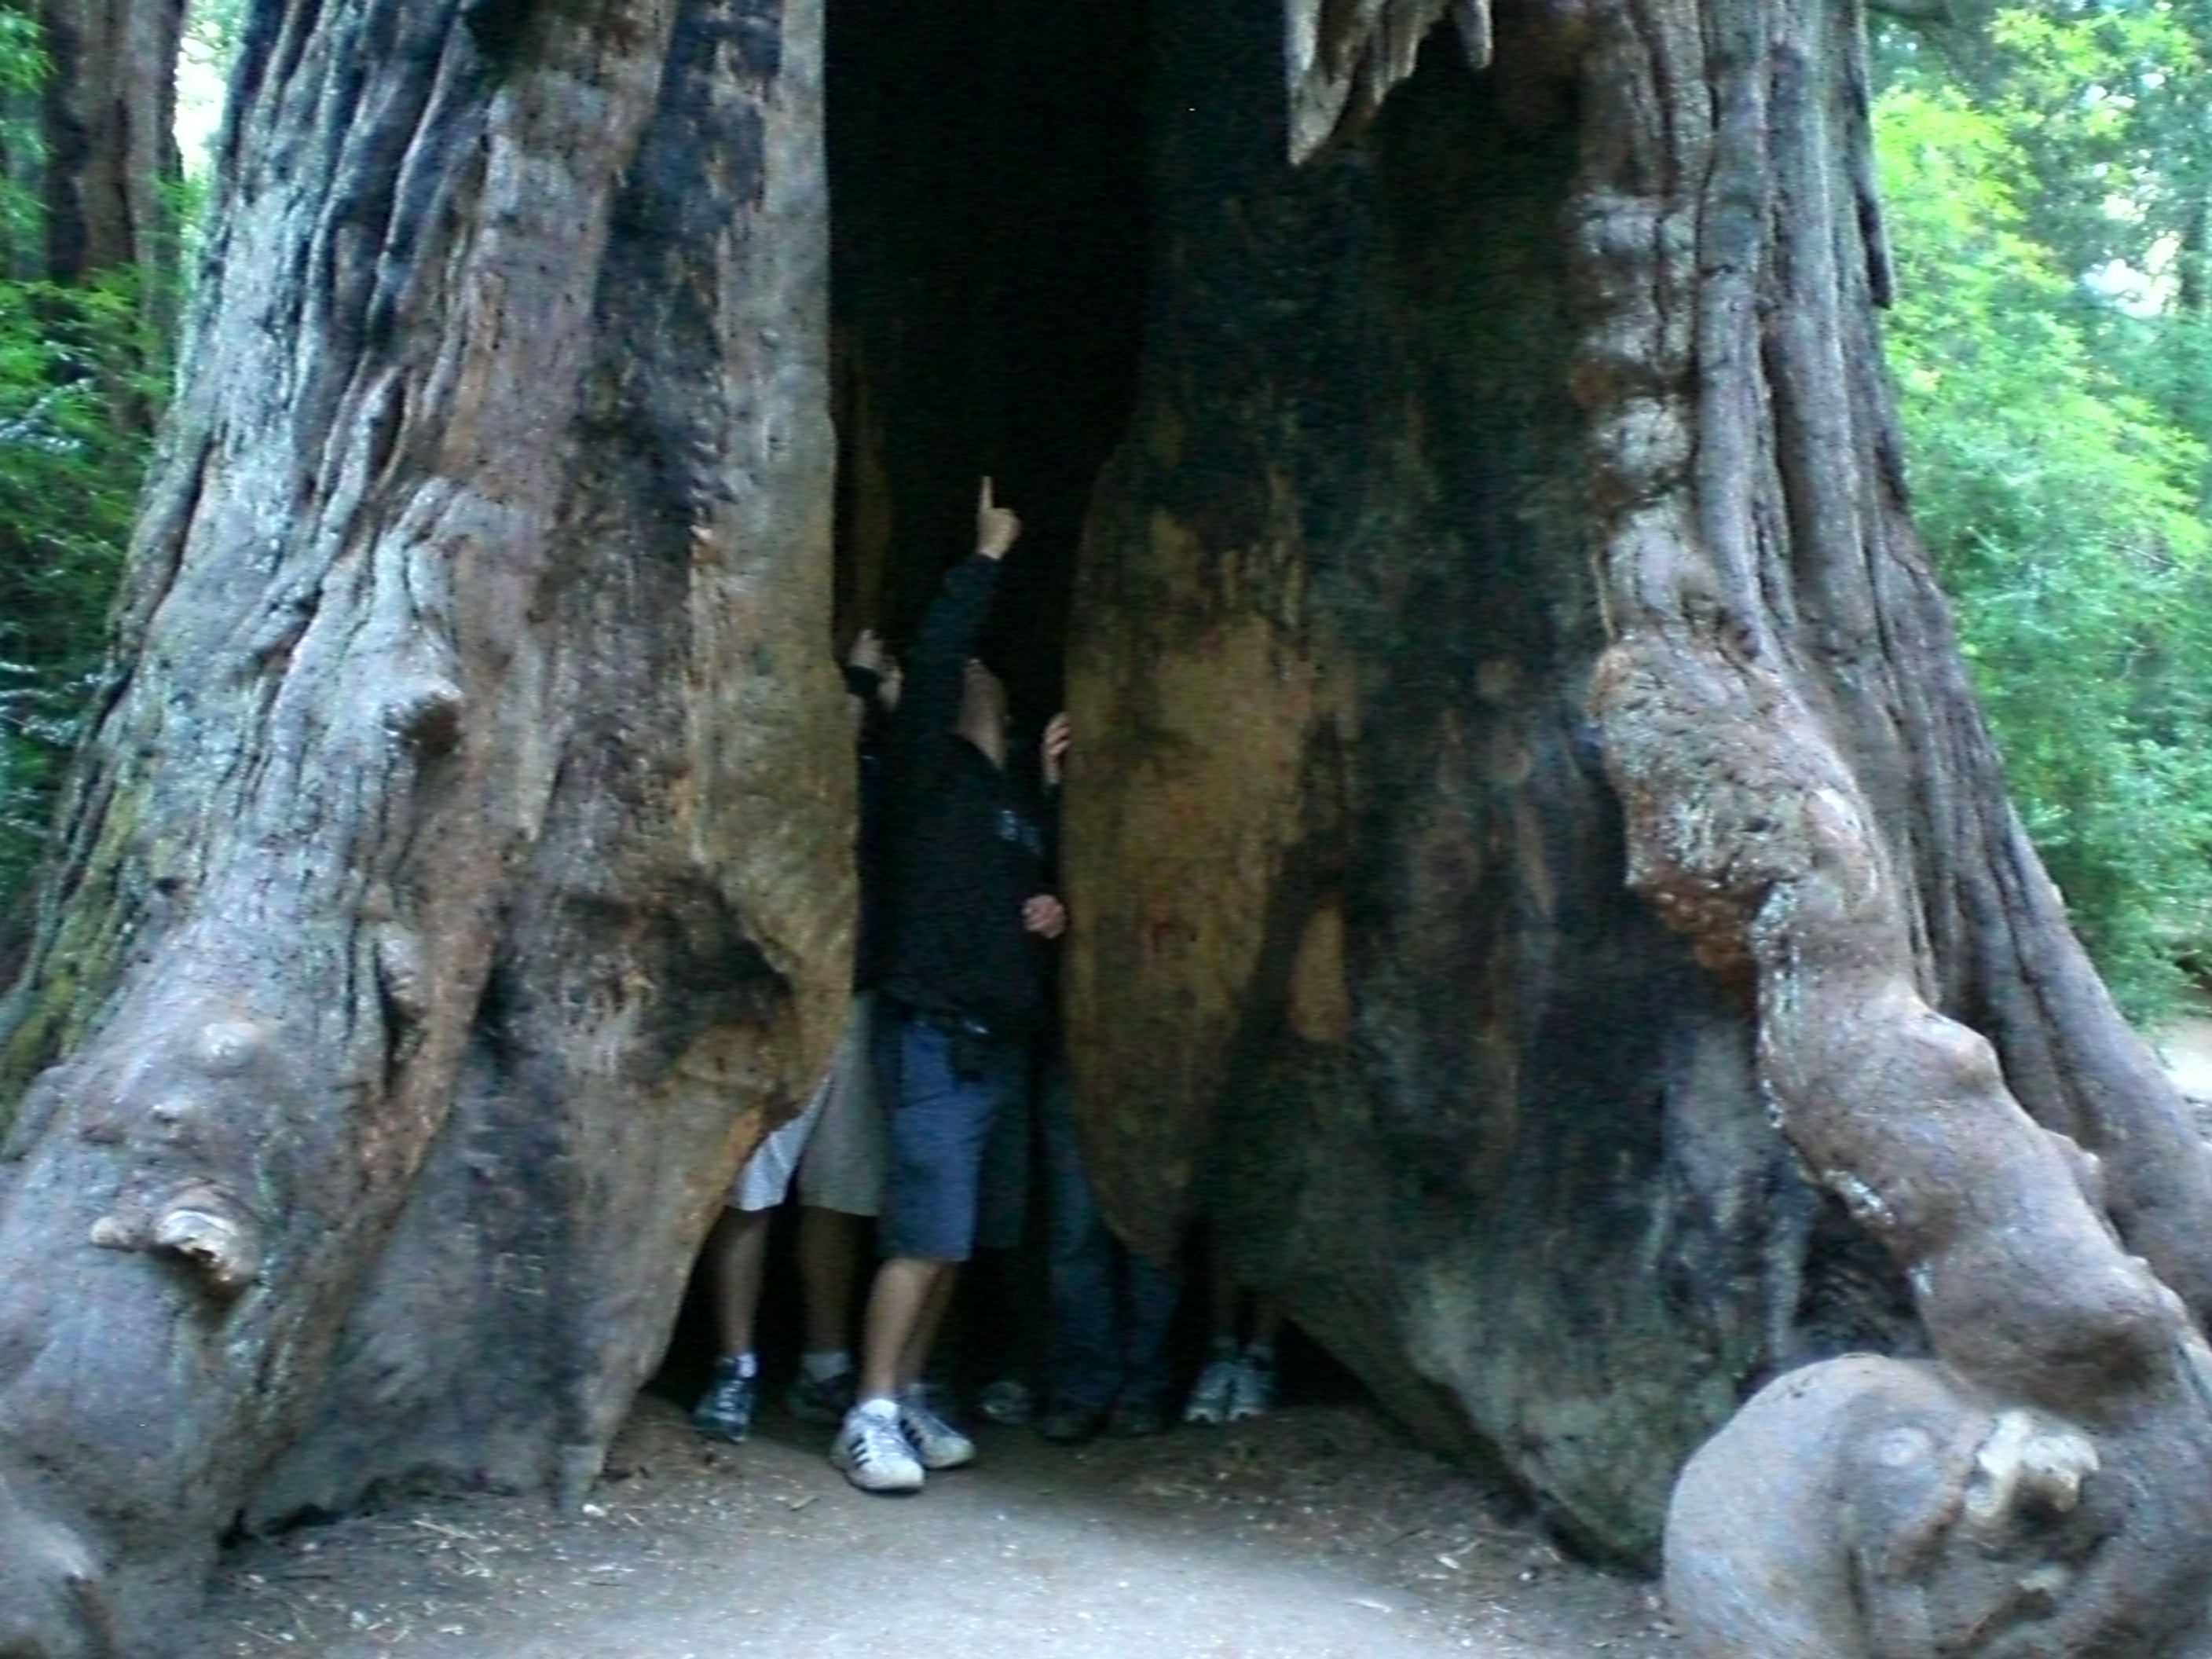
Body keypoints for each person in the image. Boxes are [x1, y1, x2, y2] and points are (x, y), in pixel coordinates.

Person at [830, 478, 1066, 1494]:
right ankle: (869, 1410)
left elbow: (1021, 896)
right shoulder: (922, 779)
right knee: (922, 1237)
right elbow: (934, 660)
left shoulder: (1008, 804)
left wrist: (1047, 900)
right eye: (956, 671)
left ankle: (912, 1394)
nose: (966, 673)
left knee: (956, 1243)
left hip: (998, 1046)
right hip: (934, 1034)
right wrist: (987, 556)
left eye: (980, 672)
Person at [691, 634, 901, 1442]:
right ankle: (734, 1364)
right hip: (780, 998)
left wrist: (885, 700)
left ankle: (823, 1362)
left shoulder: (896, 776)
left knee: (836, 1197)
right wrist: (858, 684)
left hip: (862, 1001)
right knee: (750, 1192)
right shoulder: (784, 772)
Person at [1032, 711, 1181, 1444]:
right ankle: (1085, 1386)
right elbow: (1041, 880)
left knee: (1148, 1229)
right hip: (1076, 1044)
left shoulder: (1180, 838)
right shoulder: (1074, 826)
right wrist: (1052, 788)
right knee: (1075, 1233)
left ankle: (1144, 1387)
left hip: (1160, 1053)